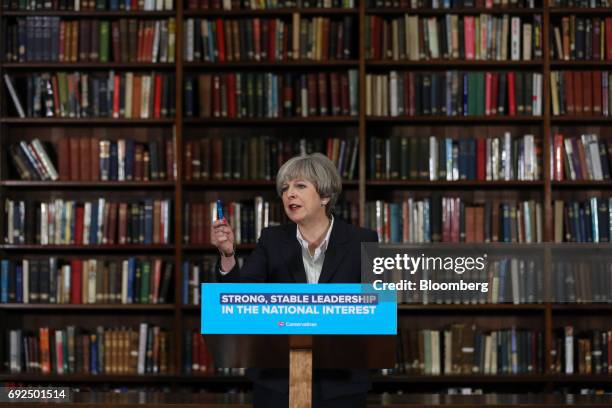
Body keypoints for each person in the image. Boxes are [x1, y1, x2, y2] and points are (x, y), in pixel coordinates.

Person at [211, 152, 378, 408]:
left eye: (300, 186)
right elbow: (237, 303)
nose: (290, 194)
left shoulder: (363, 240)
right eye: (285, 188)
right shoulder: (271, 239)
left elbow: (376, 313)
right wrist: (227, 253)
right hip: (278, 383)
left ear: (325, 196)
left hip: (340, 385)